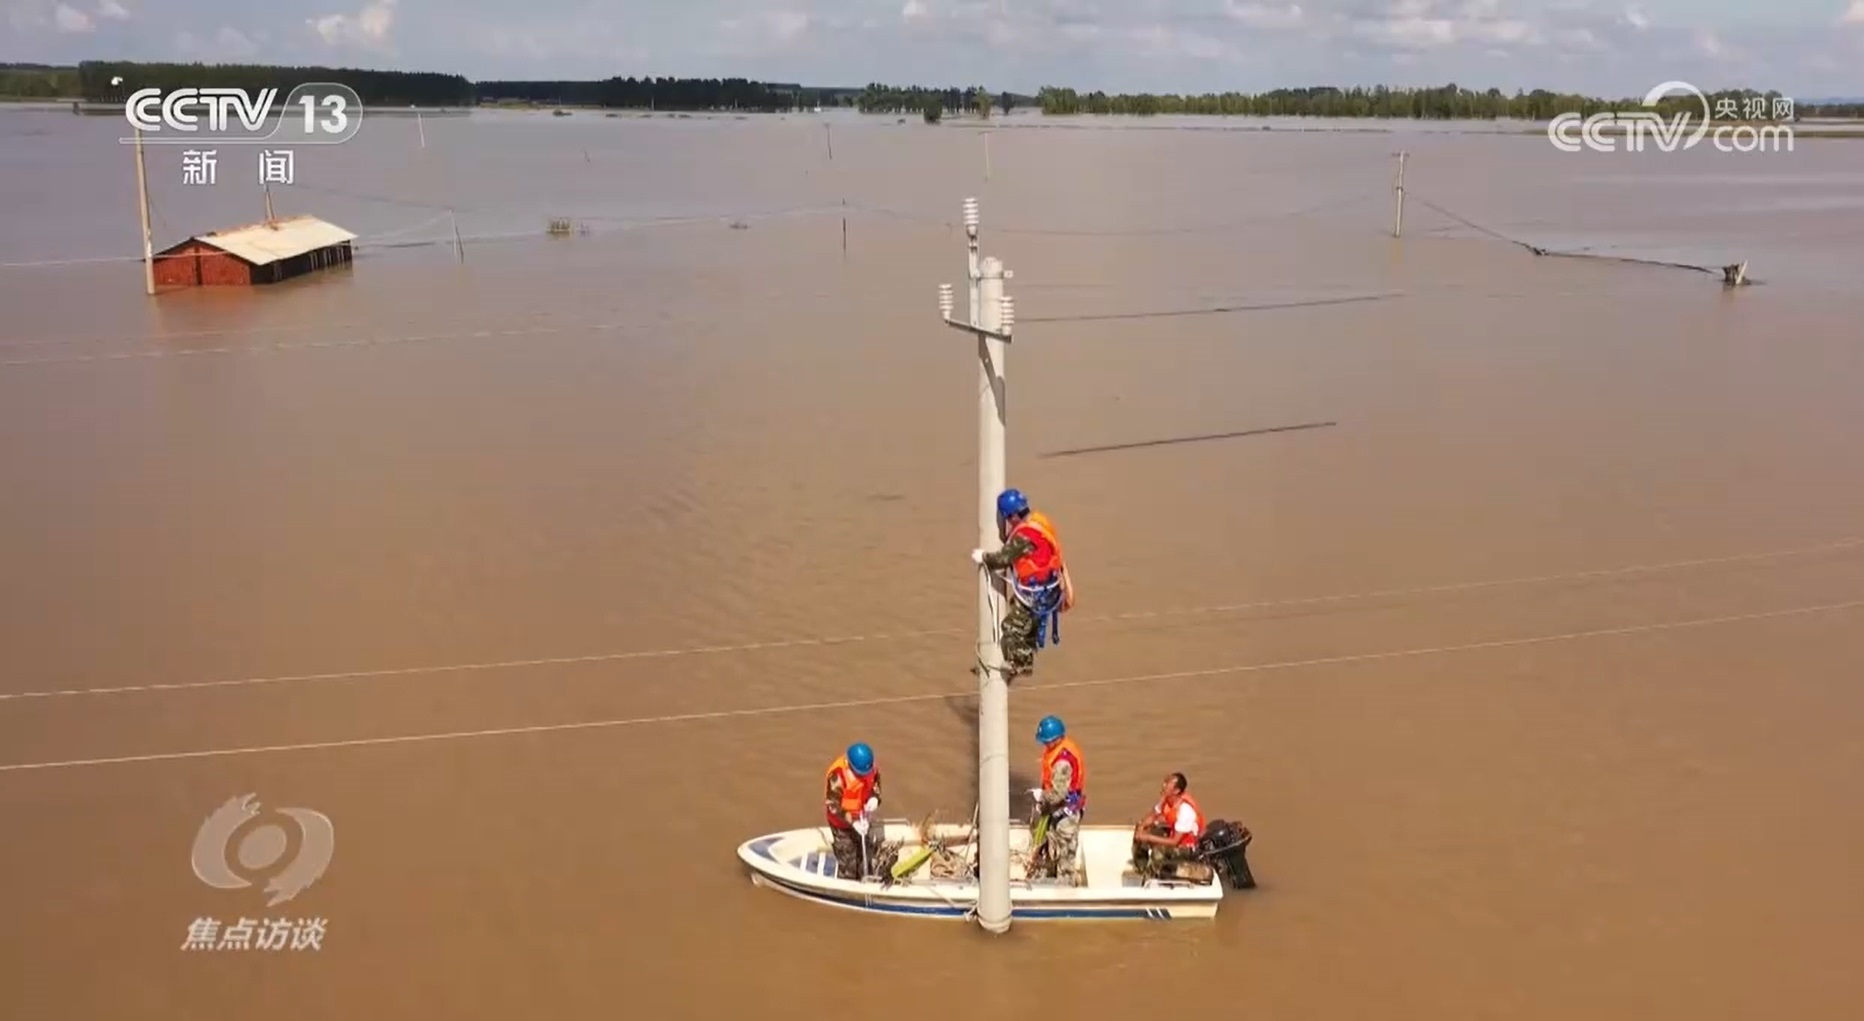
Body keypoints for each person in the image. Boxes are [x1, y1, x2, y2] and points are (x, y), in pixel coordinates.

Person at [970, 488, 1073, 678]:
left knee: (1011, 628)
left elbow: (1002, 559)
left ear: (1011, 516)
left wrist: (983, 557)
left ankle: (1020, 663)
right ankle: (1014, 658)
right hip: (1050, 589)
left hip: (1034, 595)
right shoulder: (1040, 521)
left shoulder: (1024, 536)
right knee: (1027, 627)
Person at [1027, 714, 1086, 883]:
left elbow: (1058, 794)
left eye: (1046, 742)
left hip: (1066, 814)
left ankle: (1065, 886)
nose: (1045, 745)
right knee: (1050, 847)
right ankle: (1049, 876)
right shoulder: (1056, 749)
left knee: (1064, 854)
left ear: (1056, 739)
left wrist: (1041, 796)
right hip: (1056, 810)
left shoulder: (1062, 762)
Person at [824, 742, 883, 880]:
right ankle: (847, 881)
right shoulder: (837, 776)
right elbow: (833, 807)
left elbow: (875, 784)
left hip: (862, 817)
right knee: (848, 861)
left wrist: (875, 798)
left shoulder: (870, 768)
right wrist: (853, 822)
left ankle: (865, 878)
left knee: (866, 854)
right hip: (841, 823)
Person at [1132, 772, 1206, 877]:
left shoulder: (1185, 810)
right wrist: (1141, 827)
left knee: (1158, 852)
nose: (1163, 785)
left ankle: (1160, 875)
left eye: (1167, 783)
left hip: (1187, 848)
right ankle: (1141, 868)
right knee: (1142, 830)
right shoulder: (1166, 800)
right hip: (1173, 835)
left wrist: (1148, 838)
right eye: (1165, 782)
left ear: (1176, 791)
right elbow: (1153, 816)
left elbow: (1174, 842)